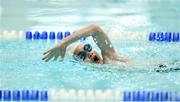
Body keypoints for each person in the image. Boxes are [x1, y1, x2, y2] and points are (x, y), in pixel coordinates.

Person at [42, 24, 130, 64]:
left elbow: (95, 29)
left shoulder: (110, 57)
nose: (89, 54)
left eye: (88, 48)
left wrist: (63, 43)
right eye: (82, 55)